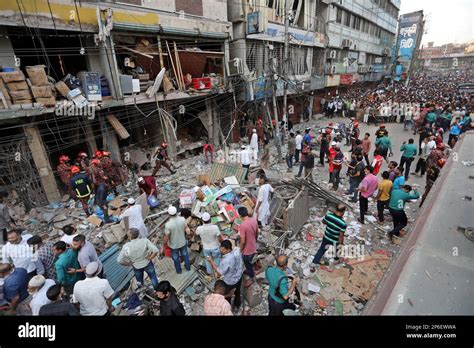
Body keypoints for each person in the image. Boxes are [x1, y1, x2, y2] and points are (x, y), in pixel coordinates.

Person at [207, 240, 243, 312]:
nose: (221, 250)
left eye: (223, 249)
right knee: (237, 291)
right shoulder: (237, 250)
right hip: (239, 276)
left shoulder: (226, 260)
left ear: (228, 249)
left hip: (230, 281)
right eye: (221, 248)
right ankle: (237, 304)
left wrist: (211, 262)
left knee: (228, 295)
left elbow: (220, 272)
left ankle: (228, 308)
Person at [310, 204, 347, 269]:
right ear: (343, 212)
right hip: (335, 240)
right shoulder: (343, 223)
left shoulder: (329, 215)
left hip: (326, 237)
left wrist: (330, 222)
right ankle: (336, 260)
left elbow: (324, 222)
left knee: (321, 250)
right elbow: (341, 236)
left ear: (335, 209)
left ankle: (314, 263)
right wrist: (341, 243)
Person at [163, 206, 190, 274]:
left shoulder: (168, 225)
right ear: (176, 213)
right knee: (185, 255)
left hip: (173, 245)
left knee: (176, 258)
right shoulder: (182, 219)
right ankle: (188, 268)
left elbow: (166, 237)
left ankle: (179, 271)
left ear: (169, 214)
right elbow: (187, 230)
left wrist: (164, 246)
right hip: (183, 242)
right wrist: (187, 236)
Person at [237, 207, 258, 285]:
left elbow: (242, 241)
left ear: (240, 215)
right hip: (253, 246)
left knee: (247, 264)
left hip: (247, 250)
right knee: (250, 261)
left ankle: (252, 278)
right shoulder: (253, 220)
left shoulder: (243, 225)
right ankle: (252, 269)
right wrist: (254, 240)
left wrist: (240, 250)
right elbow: (256, 233)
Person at [89, 158, 110, 222]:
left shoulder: (92, 171)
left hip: (98, 188)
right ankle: (107, 220)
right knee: (104, 205)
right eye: (99, 162)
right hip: (101, 188)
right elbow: (104, 177)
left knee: (100, 199)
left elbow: (93, 181)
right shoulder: (99, 170)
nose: (100, 163)